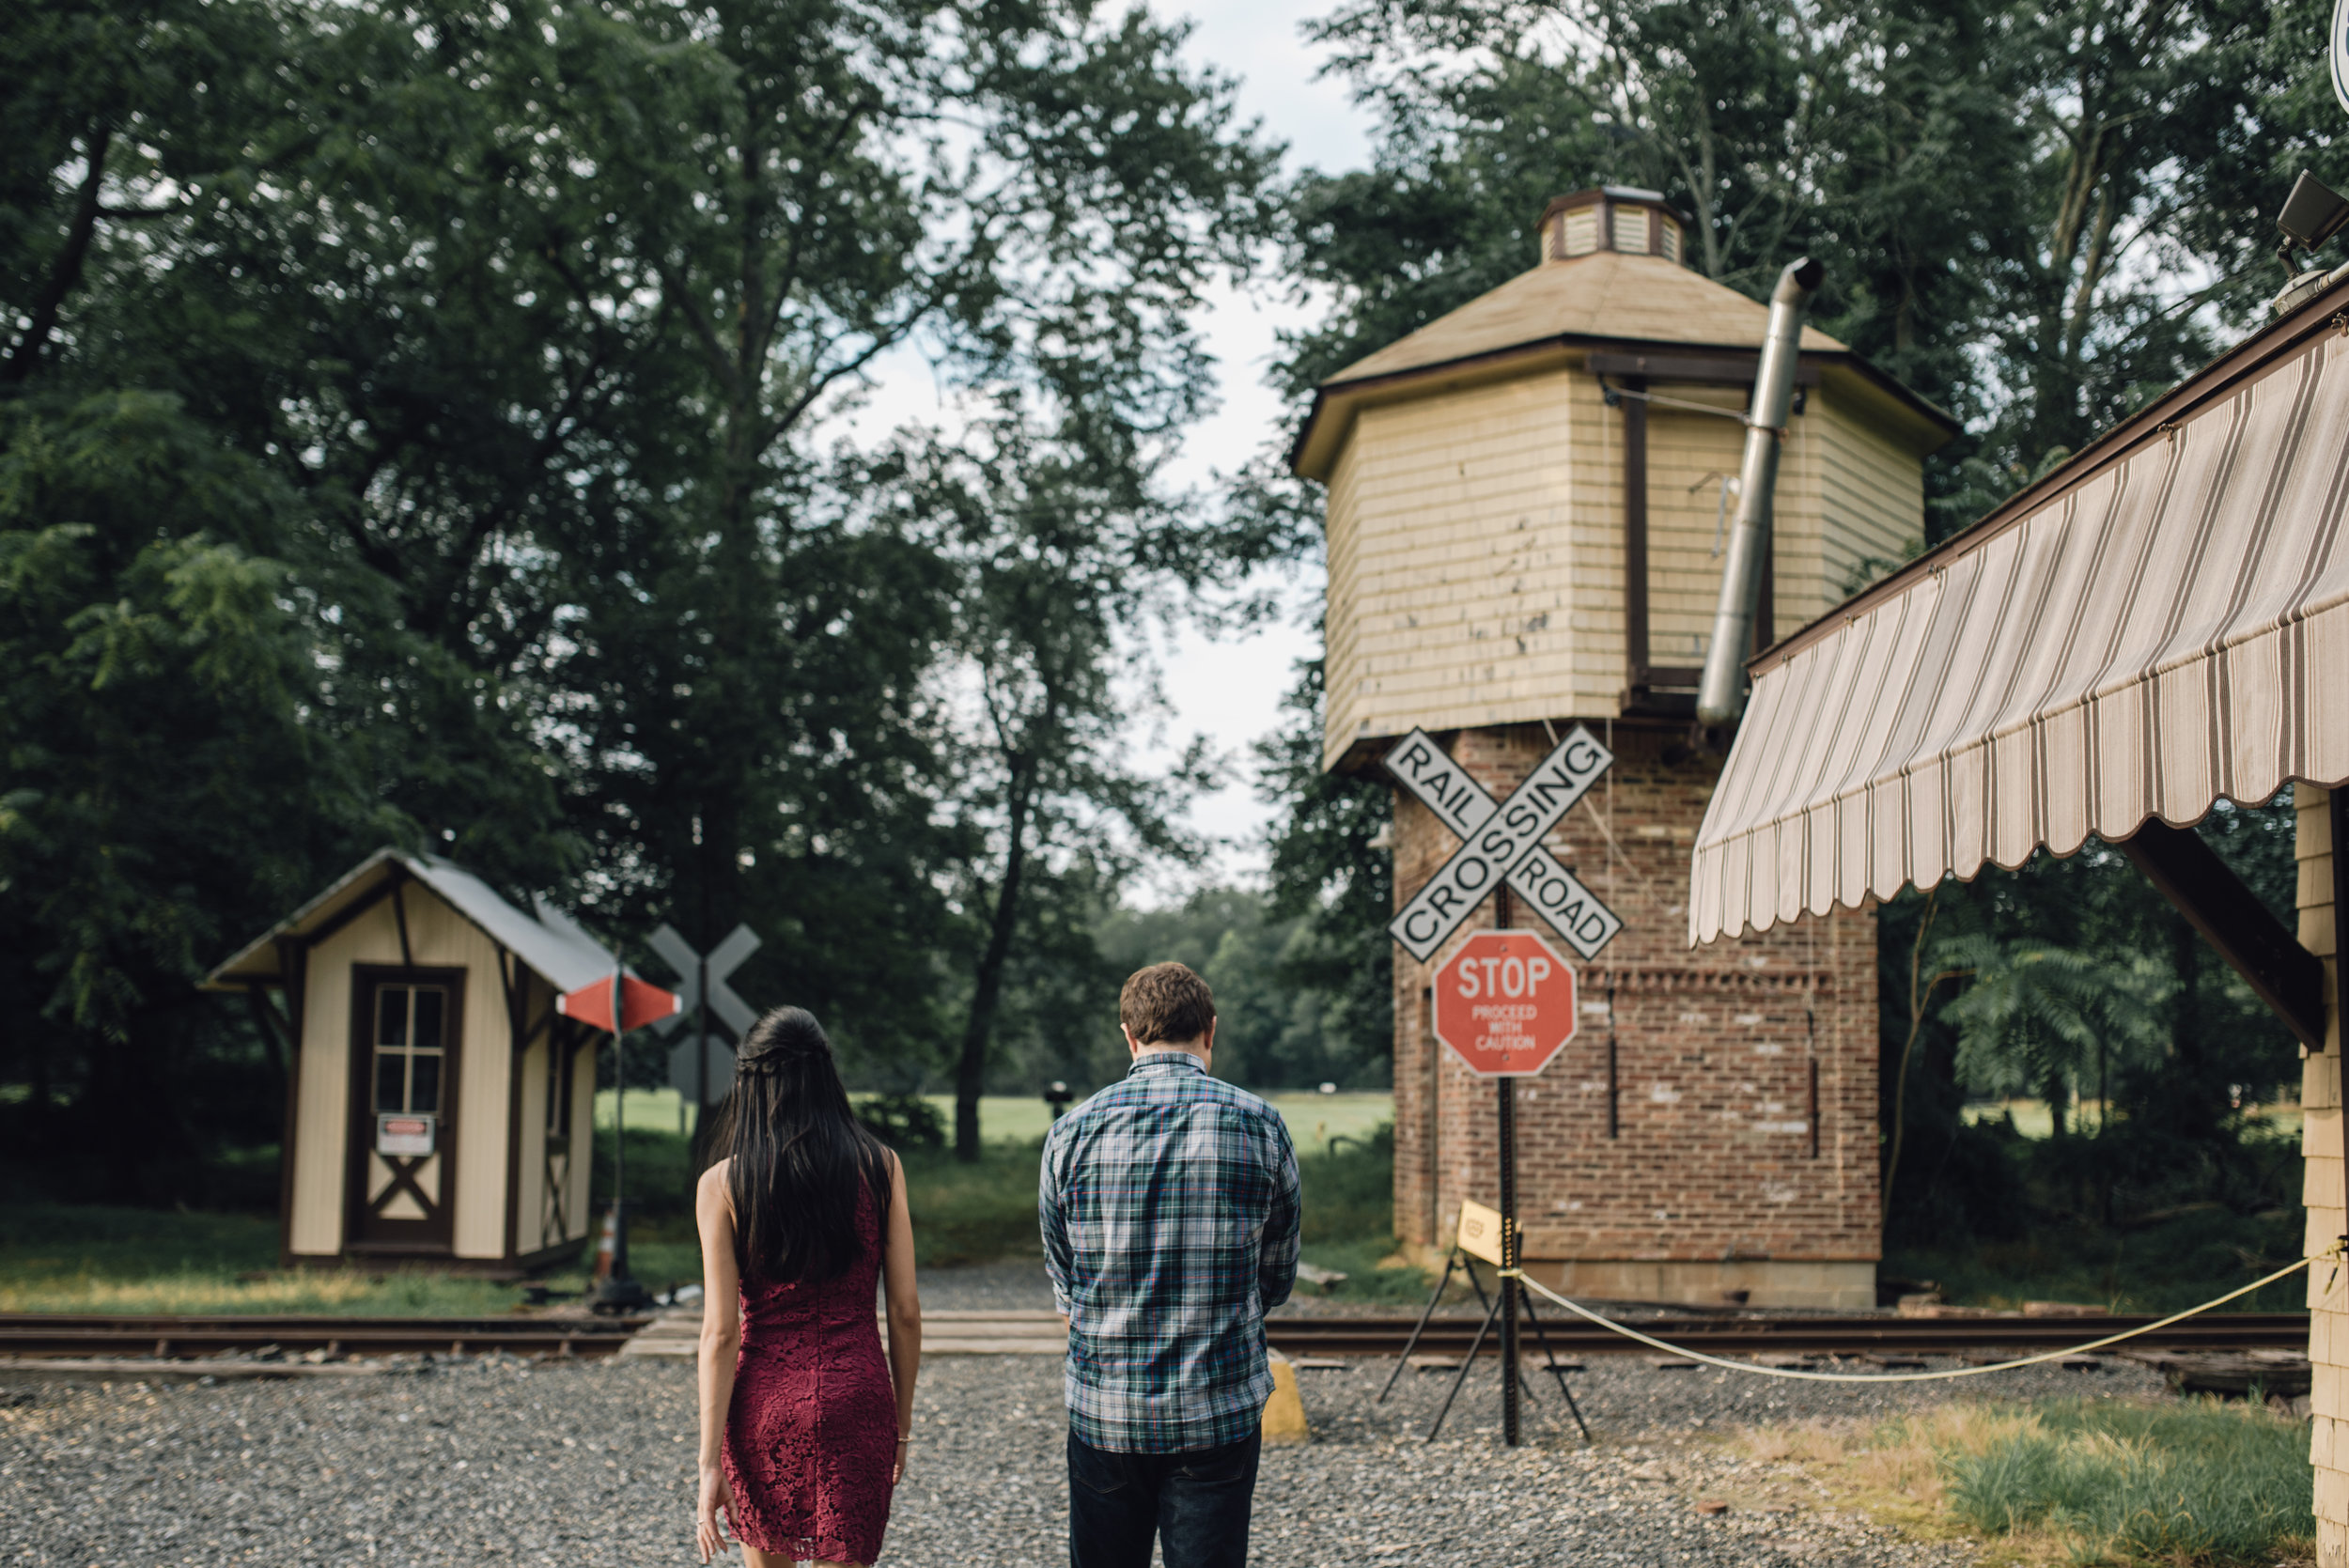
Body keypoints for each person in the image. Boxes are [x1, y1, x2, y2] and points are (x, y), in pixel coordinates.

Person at [1039, 962, 1301, 1568]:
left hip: (1106, 1411)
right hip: (1217, 1408)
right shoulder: (1259, 1125)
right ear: (1210, 1030)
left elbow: (1066, 1280)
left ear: (1128, 1035)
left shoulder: (1072, 1130)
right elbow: (1277, 1275)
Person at [693, 1007, 921, 1567]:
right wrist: (902, 1425)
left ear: (750, 1080)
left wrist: (707, 1465)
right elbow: (906, 1311)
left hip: (762, 1408)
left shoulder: (723, 1184)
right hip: (858, 1400)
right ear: (826, 1074)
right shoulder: (880, 1167)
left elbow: (721, 1333)